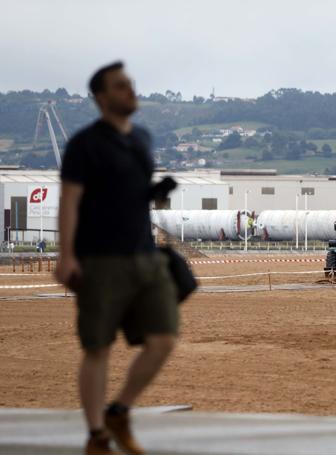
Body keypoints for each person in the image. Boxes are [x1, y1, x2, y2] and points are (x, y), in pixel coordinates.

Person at [55, 62, 179, 455]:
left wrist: (157, 193)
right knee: (98, 347)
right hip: (100, 258)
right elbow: (69, 202)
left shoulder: (142, 137)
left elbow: (135, 193)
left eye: (130, 84)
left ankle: (118, 410)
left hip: (144, 253)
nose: (130, 90)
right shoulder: (84, 145)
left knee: (163, 338)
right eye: (121, 86)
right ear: (102, 97)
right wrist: (67, 255)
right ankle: (96, 435)